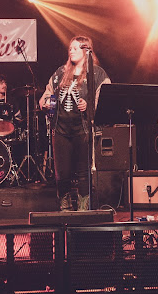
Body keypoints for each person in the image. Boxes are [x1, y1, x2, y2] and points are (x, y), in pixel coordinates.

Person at [39, 36, 110, 211]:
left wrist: (89, 105)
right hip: (61, 129)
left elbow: (106, 99)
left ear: (86, 51)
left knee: (83, 171)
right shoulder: (60, 73)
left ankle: (83, 207)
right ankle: (65, 205)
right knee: (62, 172)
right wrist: (46, 102)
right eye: (70, 48)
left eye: (76, 48)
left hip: (83, 130)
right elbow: (46, 94)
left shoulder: (97, 74)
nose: (71, 51)